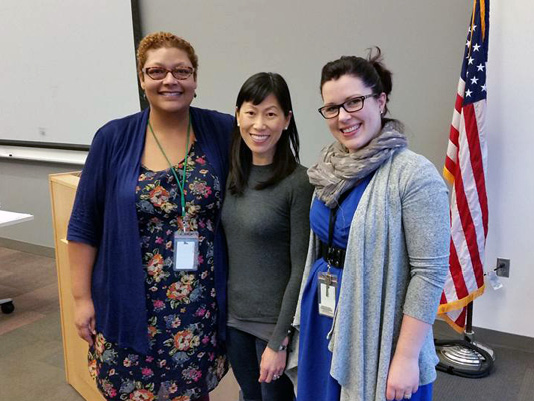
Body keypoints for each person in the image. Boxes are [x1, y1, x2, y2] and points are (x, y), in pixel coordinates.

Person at [67, 32, 234, 401]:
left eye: (181, 71)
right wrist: (81, 299)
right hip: (126, 301)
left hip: (198, 305)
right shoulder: (113, 137)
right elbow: (83, 225)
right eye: (156, 71)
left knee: (191, 392)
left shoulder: (222, 131)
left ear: (195, 79)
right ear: (142, 79)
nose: (170, 80)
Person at [285, 49, 450, 401]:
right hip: (323, 312)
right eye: (332, 108)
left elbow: (430, 273)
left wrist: (405, 357)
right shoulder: (328, 168)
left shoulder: (414, 175)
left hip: (376, 323)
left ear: (381, 100)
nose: (343, 117)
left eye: (354, 102)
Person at [221, 72, 313, 401]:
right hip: (234, 321)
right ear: (237, 115)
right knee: (249, 395)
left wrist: (280, 340)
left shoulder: (299, 182)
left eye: (271, 113)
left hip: (272, 327)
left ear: (287, 120)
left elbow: (300, 268)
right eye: (251, 112)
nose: (259, 124)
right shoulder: (231, 176)